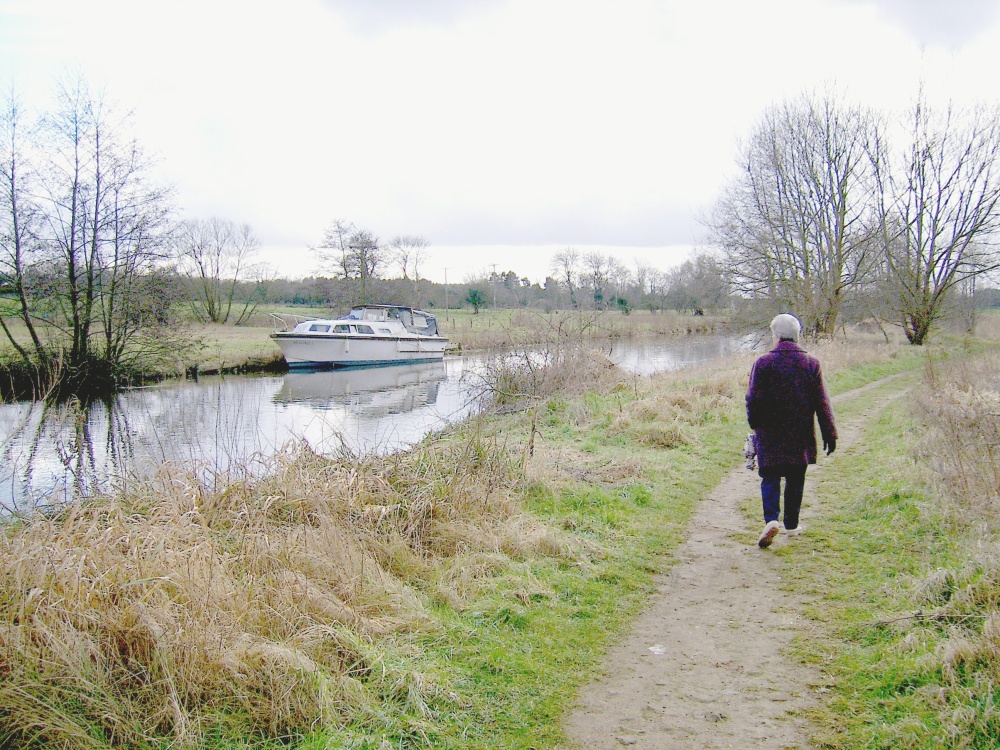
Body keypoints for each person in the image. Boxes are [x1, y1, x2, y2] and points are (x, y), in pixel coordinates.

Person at [745, 314, 837, 548]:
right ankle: (792, 525)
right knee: (796, 478)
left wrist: (754, 423)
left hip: (770, 433)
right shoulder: (811, 363)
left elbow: (753, 398)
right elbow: (822, 402)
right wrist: (830, 433)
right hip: (800, 433)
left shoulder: (763, 363)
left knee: (770, 477)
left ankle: (771, 519)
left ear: (775, 335)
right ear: (798, 335)